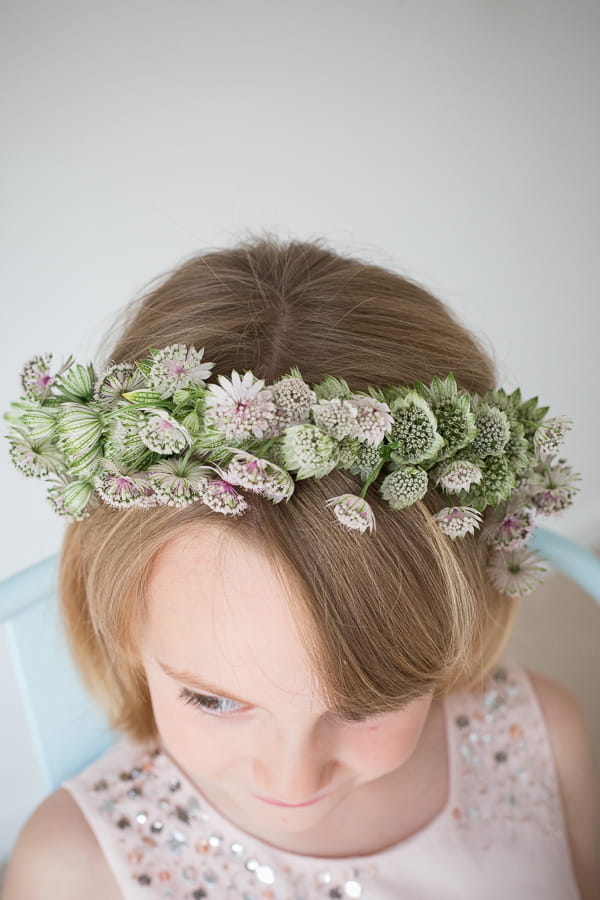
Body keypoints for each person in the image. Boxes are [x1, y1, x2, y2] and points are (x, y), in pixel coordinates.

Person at [2, 233, 598, 899]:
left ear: (463, 616)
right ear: (118, 624)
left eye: (364, 703)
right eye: (214, 699)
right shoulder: (73, 873)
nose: (292, 781)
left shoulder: (540, 745)